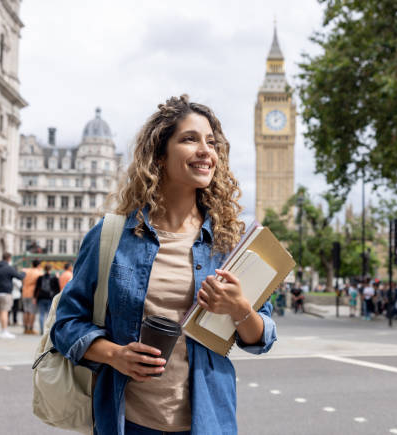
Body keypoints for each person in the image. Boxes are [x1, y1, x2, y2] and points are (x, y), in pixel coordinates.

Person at [51, 95, 277, 435]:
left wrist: (239, 307)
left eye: (211, 143)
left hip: (208, 421)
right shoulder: (111, 235)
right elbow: (66, 324)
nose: (206, 150)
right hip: (128, 421)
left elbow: (261, 338)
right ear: (159, 156)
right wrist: (115, 355)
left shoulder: (229, 243)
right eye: (190, 139)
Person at [0, 252, 24, 339]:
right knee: (4, 312)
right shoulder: (9, 268)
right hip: (5, 293)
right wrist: (23, 273)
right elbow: (19, 277)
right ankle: (4, 331)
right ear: (9, 259)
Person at [34, 264, 60, 335]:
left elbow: (37, 288)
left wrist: (35, 297)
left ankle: (41, 330)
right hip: (50, 298)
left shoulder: (40, 277)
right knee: (50, 315)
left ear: (44, 269)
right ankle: (48, 331)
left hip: (41, 297)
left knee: (41, 314)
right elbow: (57, 289)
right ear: (51, 269)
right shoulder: (54, 278)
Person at [22, 259, 43, 335]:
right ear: (38, 265)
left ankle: (25, 328)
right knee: (32, 312)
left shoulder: (26, 271)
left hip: (24, 292)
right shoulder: (39, 273)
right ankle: (30, 328)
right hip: (32, 294)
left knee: (25, 311)